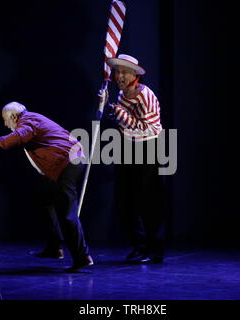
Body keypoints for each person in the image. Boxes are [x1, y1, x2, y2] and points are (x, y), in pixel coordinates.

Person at [0, 102, 93, 271]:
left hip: (68, 163)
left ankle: (82, 257)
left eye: (5, 120)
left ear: (13, 117)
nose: (5, 124)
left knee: (67, 214)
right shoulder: (31, 119)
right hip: (61, 165)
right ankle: (55, 248)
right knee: (44, 199)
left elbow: (20, 135)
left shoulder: (28, 121)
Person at [100, 54, 166, 264]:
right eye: (117, 71)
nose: (119, 75)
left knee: (148, 200)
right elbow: (124, 123)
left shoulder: (145, 95)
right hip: (128, 146)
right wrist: (108, 106)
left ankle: (154, 250)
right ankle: (139, 246)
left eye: (124, 72)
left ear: (135, 74)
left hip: (148, 147)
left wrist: (117, 111)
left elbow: (146, 127)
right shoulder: (121, 94)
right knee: (124, 201)